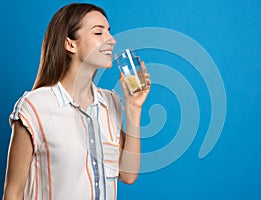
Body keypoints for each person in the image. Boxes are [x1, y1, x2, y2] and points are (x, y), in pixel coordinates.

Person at [3, 3, 150, 200]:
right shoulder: (34, 107)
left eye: (109, 31)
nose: (112, 40)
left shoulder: (111, 103)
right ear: (70, 44)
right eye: (98, 33)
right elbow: (13, 192)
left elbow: (128, 175)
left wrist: (133, 108)